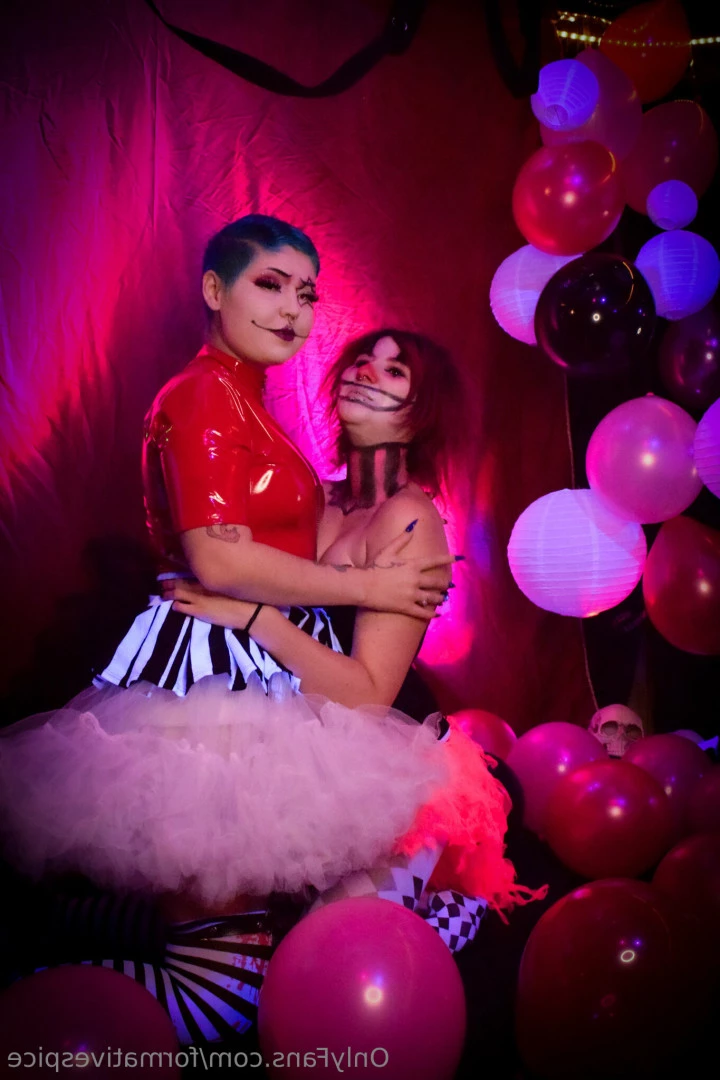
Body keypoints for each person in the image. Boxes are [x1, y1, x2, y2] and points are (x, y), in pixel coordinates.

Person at [0, 216, 535, 1045]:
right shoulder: (313, 492)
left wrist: (257, 609)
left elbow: (367, 691)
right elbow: (225, 554)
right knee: (225, 930)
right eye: (362, 359)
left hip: (378, 754)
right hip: (289, 723)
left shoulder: (411, 519)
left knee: (303, 965)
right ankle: (74, 943)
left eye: (395, 370)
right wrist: (243, 589)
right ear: (217, 292)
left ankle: (438, 913)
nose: (365, 371)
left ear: (422, 411)